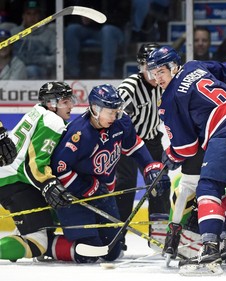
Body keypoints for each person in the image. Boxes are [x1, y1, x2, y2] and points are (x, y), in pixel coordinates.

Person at [146, 45, 226, 273]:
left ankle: (210, 247)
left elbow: (186, 148)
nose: (158, 79)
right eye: (154, 74)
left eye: (161, 72)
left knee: (207, 187)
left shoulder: (168, 100)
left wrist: (171, 155)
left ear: (174, 67)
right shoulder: (195, 65)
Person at [47, 84, 170, 263]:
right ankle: (45, 243)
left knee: (113, 250)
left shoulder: (121, 121)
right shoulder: (78, 133)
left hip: (103, 193)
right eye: (110, 111)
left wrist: (149, 166)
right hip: (74, 197)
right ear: (95, 109)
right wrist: (88, 187)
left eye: (116, 110)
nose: (115, 115)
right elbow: (59, 169)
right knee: (87, 252)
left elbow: (134, 145)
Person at [0, 81, 76, 261]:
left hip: (11, 178)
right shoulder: (53, 121)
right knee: (39, 242)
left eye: (70, 100)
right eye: (65, 101)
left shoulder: (38, 111)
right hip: (13, 182)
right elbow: (33, 165)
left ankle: (23, 230)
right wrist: (48, 184)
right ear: (51, 103)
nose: (71, 105)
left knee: (48, 220)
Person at [115, 42, 171, 250]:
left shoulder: (165, 84)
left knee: (160, 184)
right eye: (149, 66)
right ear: (140, 66)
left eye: (158, 67)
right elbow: (116, 121)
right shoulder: (129, 88)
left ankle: (159, 236)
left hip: (152, 140)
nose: (154, 72)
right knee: (125, 186)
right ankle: (117, 235)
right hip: (127, 143)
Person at [64, 0, 131, 79]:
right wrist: (82, 19)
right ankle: (72, 73)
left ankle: (107, 75)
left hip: (114, 31)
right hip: (90, 29)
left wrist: (97, 18)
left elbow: (123, 17)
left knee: (107, 30)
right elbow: (72, 15)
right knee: (72, 29)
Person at [10, 1, 56, 79]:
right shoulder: (14, 33)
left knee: (31, 70)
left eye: (35, 13)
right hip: (16, 67)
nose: (32, 17)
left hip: (40, 70)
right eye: (29, 14)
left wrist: (40, 59)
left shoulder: (49, 34)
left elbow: (60, 58)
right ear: (23, 16)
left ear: (40, 16)